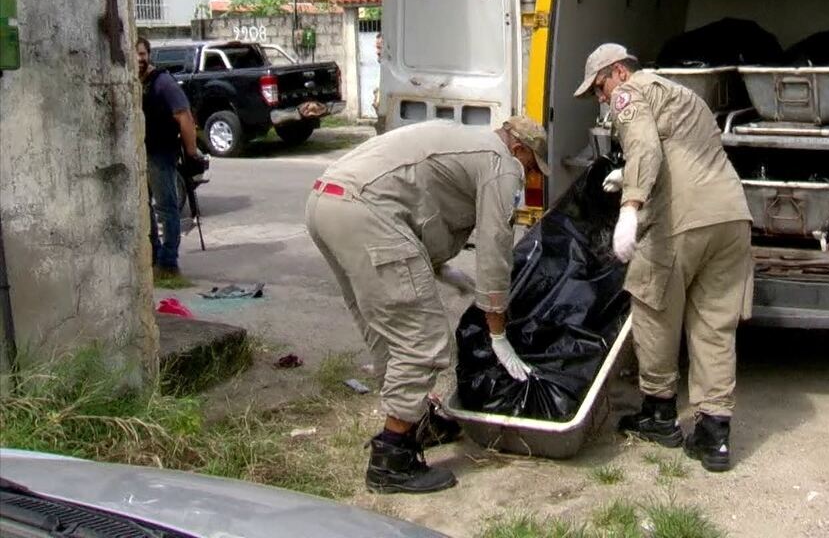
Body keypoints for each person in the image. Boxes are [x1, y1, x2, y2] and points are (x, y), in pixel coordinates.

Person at [304, 116, 548, 494]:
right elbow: (495, 247)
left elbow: (421, 201)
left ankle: (415, 418)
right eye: (532, 166)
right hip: (365, 211)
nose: (530, 176)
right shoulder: (502, 164)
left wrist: (441, 269)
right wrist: (497, 330)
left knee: (390, 332)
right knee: (424, 339)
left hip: (326, 202)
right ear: (520, 149)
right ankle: (392, 457)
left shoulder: (467, 141)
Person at [574, 43, 753, 473]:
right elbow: (683, 149)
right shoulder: (682, 93)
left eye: (598, 87)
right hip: (731, 217)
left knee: (653, 307)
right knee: (714, 323)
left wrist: (631, 207)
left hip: (680, 220)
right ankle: (715, 435)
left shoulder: (628, 92)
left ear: (617, 72)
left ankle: (659, 414)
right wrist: (629, 173)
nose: (601, 98)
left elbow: (645, 149)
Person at [137, 37, 206, 280]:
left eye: (142, 54)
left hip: (161, 154)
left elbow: (184, 116)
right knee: (143, 209)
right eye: (135, 54)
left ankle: (168, 262)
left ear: (149, 55)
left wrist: (191, 152)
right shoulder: (135, 83)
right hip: (141, 155)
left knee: (166, 208)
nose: (139, 59)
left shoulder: (163, 82)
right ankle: (154, 255)